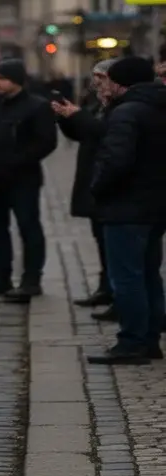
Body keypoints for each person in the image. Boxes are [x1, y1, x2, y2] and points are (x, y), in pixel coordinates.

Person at [86, 56, 166, 365]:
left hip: (126, 206)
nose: (104, 85)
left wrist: (97, 186)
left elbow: (115, 161)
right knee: (148, 274)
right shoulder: (157, 106)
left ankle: (132, 341)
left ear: (120, 83)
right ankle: (150, 340)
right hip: (155, 205)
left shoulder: (126, 112)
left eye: (108, 80)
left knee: (127, 278)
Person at [0, 59, 58, 303]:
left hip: (22, 179)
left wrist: (17, 161)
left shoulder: (37, 106)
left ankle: (31, 280)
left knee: (28, 227)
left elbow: (46, 142)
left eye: (2, 78)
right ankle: (0, 278)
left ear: (17, 80)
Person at [51, 59, 116, 316]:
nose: (97, 83)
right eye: (96, 78)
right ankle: (106, 287)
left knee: (114, 244)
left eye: (102, 78)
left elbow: (103, 133)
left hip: (111, 182)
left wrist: (79, 116)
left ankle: (116, 294)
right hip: (93, 178)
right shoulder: (98, 104)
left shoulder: (121, 107)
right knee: (100, 239)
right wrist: (66, 118)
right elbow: (84, 133)